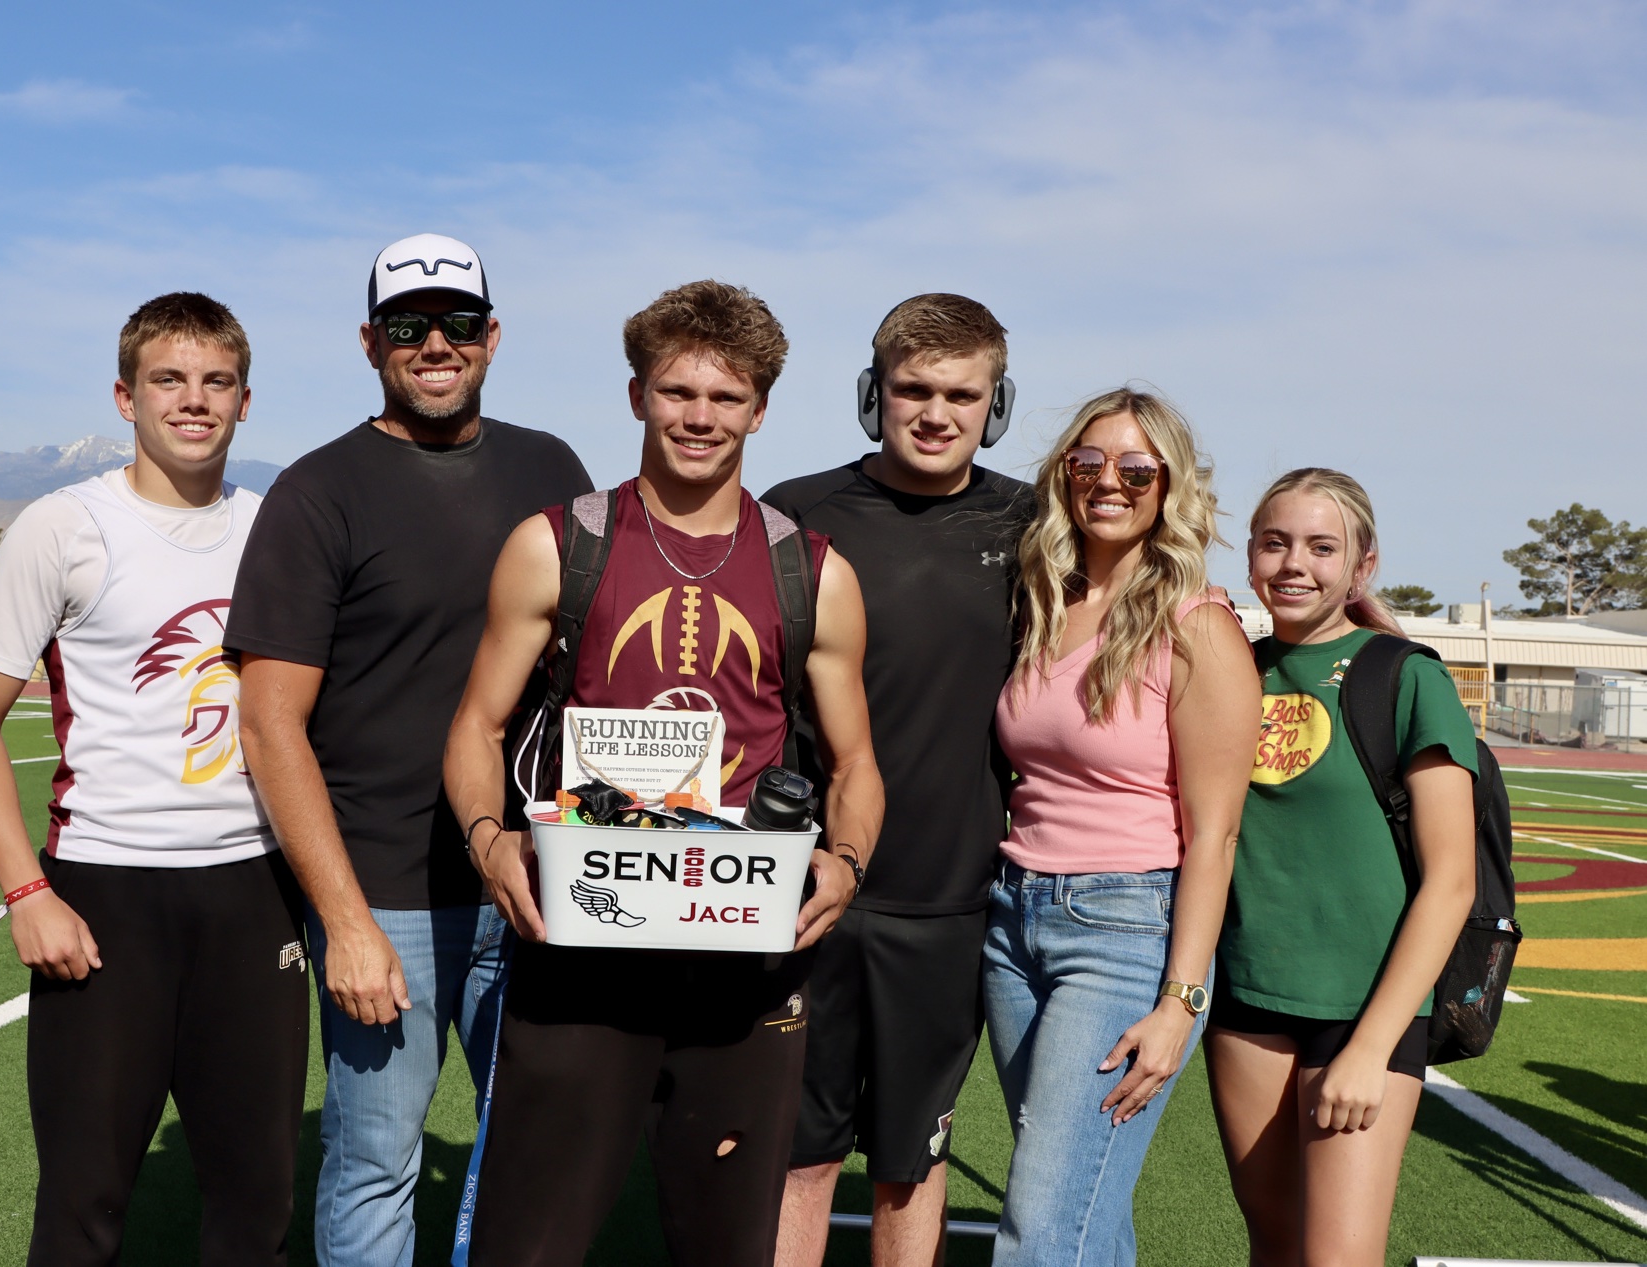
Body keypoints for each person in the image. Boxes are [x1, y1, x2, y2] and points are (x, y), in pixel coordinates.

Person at [444, 279, 886, 1267]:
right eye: (678, 391)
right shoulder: (559, 544)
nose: (699, 417)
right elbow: (476, 724)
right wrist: (488, 840)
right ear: (638, 394)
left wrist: (847, 861)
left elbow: (856, 762)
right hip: (581, 950)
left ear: (760, 411)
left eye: (726, 397)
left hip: (742, 963)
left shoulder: (814, 571)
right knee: (528, 1245)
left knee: (726, 1247)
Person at [225, 234, 592, 1267]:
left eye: (457, 322)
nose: (435, 344)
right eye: (407, 325)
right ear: (369, 341)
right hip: (387, 896)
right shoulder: (318, 490)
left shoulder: (552, 469)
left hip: (534, 883)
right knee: (376, 1162)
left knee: (538, 1155)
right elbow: (269, 724)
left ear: (492, 337)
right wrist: (345, 922)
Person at [0, 292, 307, 1267]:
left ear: (244, 401)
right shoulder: (63, 526)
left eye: (217, 381)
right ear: (124, 396)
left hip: (254, 893)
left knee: (257, 1207)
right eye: (168, 379)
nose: (194, 400)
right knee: (84, 1204)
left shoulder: (278, 529)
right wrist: (26, 892)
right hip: (107, 894)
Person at [762, 294, 1032, 1267]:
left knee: (911, 1164)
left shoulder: (1035, 524)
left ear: (996, 405)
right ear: (874, 393)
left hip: (949, 902)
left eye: (962, 394)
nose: (936, 413)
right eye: (914, 389)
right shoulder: (795, 513)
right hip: (804, 890)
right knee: (797, 1157)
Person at [982, 387, 1260, 1267]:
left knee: (1040, 1228)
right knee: (1083, 1210)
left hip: (1124, 931)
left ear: (1168, 486)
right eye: (1089, 461)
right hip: (1012, 921)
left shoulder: (1199, 625)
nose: (1110, 481)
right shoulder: (1042, 601)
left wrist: (1180, 1001)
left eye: (1137, 469)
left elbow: (1215, 835)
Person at [1206, 468, 1476, 1267]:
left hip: (1364, 1010)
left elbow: (1452, 880)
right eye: (1275, 542)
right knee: (1274, 1244)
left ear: (1363, 564)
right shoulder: (1232, 667)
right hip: (1247, 997)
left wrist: (1369, 1047)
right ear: (1250, 554)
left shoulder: (1406, 674)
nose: (1295, 563)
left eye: (1322, 547)